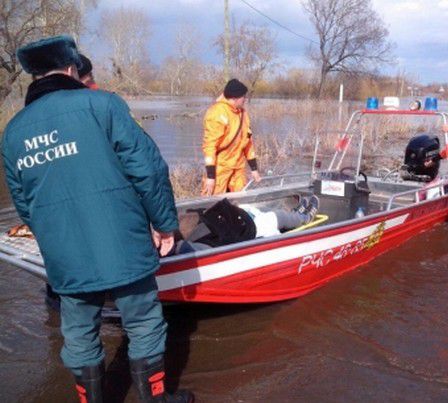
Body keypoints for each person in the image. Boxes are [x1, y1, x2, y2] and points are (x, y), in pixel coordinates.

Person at [1, 35, 192, 402]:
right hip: (123, 243)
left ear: (35, 76)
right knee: (144, 322)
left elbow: (24, 203)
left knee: (78, 332)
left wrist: (52, 237)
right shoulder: (103, 105)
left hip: (64, 253)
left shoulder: (14, 132)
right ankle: (155, 399)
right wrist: (164, 223)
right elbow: (148, 170)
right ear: (72, 69)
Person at [175, 196, 319, 254]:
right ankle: (304, 217)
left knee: (259, 210)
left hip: (231, 220)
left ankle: (295, 214)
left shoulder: (179, 230)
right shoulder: (186, 248)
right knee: (274, 217)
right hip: (242, 231)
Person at [202, 78, 261, 196]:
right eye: (243, 97)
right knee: (213, 204)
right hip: (220, 168)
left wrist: (254, 169)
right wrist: (211, 176)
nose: (245, 99)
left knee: (239, 203)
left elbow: (248, 143)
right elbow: (210, 146)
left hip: (238, 169)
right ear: (234, 98)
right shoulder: (217, 113)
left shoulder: (243, 114)